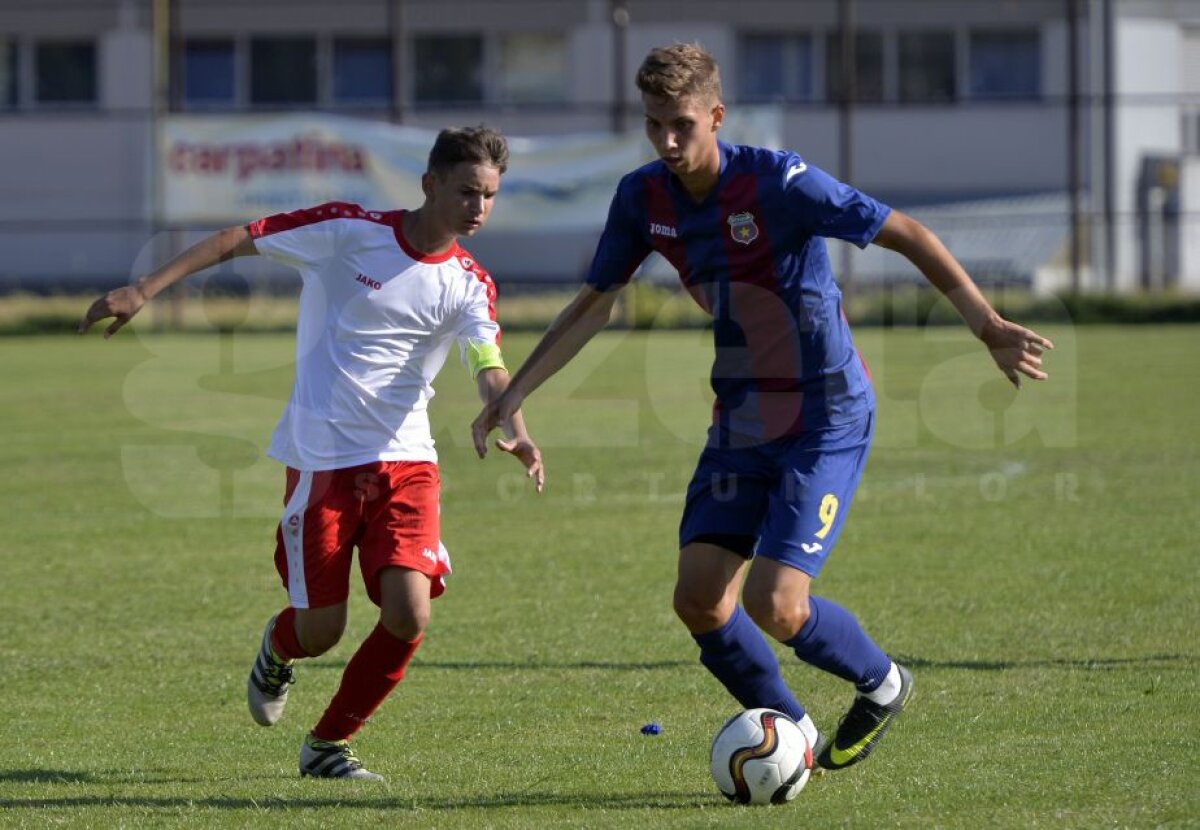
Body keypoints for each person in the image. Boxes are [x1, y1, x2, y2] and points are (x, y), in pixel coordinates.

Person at [472, 44, 1053, 772]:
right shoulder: (641, 198)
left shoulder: (779, 182)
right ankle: (795, 731)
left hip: (827, 413)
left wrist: (986, 325)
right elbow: (595, 304)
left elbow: (905, 232)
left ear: (717, 115)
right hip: (742, 418)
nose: (669, 142)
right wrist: (517, 390)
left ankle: (883, 682)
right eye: (655, 125)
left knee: (775, 605)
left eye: (683, 124)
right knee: (699, 599)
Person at [80, 125, 544, 781]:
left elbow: (487, 363)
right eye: (467, 191)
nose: (478, 209)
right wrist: (145, 289)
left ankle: (328, 745)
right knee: (320, 629)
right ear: (429, 184)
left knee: (410, 613)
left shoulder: (470, 282)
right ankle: (279, 648)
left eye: (490, 196)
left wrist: (513, 419)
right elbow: (238, 238)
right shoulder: (346, 231)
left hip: (408, 463)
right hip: (322, 463)